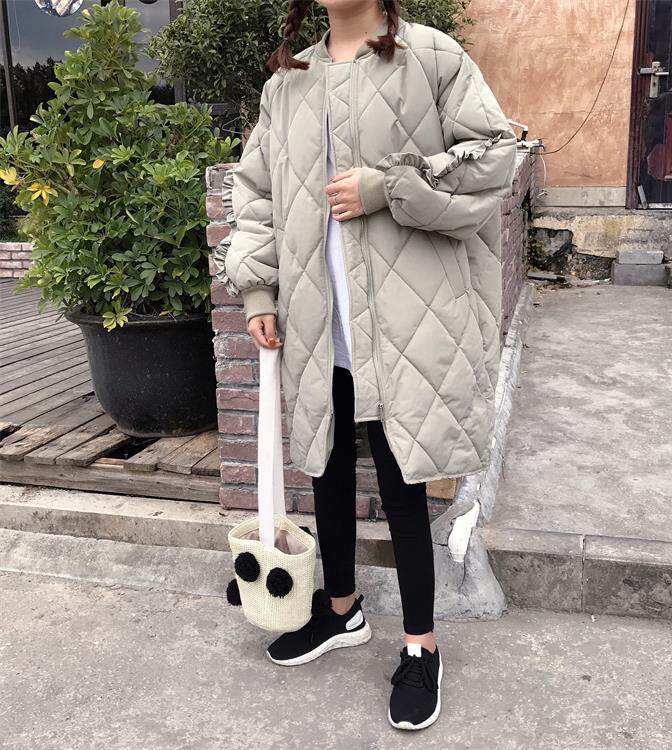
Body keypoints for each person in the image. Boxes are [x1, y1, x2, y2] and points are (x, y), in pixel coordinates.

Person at [213, 0, 517, 732]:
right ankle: (341, 609)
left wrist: (392, 186)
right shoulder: (288, 82)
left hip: (408, 321)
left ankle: (420, 647)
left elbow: (495, 156)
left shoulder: (431, 57)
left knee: (401, 477)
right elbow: (254, 192)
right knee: (326, 467)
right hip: (319, 321)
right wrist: (257, 288)